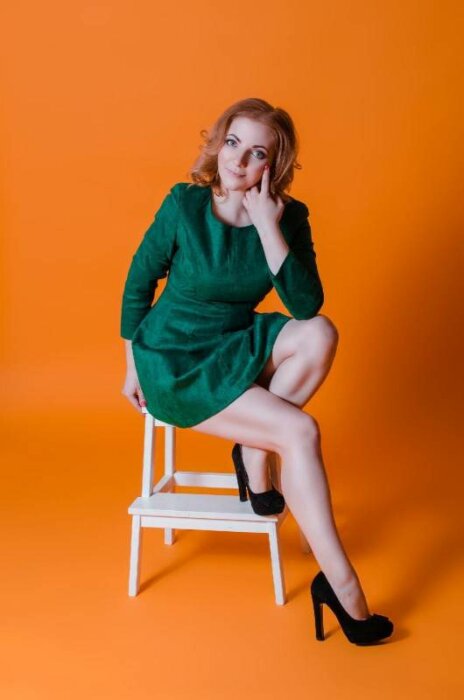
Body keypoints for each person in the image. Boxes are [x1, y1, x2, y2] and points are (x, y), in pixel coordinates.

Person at [120, 97, 394, 645]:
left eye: (258, 152)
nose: (239, 160)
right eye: (232, 143)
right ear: (218, 143)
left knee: (320, 333)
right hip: (174, 358)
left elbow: (305, 305)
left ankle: (252, 451)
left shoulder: (290, 217)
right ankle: (342, 585)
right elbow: (138, 282)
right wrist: (132, 365)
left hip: (233, 342)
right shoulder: (184, 205)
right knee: (300, 431)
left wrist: (269, 226)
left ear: (275, 165)